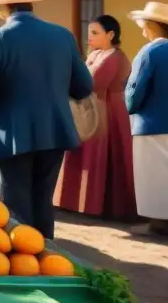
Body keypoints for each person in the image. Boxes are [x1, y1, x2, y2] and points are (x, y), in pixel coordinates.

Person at [0, 0, 93, 240]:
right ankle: (47, 255)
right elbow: (84, 87)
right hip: (54, 130)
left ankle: (22, 262)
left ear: (4, 10)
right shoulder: (62, 35)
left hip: (8, 133)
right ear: (32, 6)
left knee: (14, 203)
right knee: (43, 198)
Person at [55, 15, 136, 220]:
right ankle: (75, 202)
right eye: (89, 31)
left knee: (99, 155)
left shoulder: (116, 57)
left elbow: (95, 83)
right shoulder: (96, 54)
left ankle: (98, 205)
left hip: (108, 112)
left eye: (95, 32)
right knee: (82, 151)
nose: (89, 36)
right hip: (89, 107)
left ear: (111, 35)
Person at [125, 2, 168, 237]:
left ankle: (159, 223)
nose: (142, 29)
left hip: (152, 123)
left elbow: (135, 90)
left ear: (153, 26)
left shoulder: (150, 52)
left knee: (154, 175)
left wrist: (131, 108)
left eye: (144, 25)